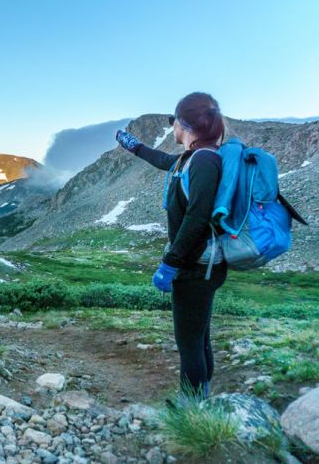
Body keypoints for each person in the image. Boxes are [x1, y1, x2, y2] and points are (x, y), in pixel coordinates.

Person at [115, 92, 228, 403]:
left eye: (175, 123)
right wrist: (134, 146)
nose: (173, 129)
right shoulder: (194, 157)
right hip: (200, 265)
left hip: (196, 267)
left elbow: (197, 216)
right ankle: (201, 401)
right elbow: (164, 161)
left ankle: (190, 411)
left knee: (190, 341)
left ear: (184, 124)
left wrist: (171, 263)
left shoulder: (204, 161)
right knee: (199, 335)